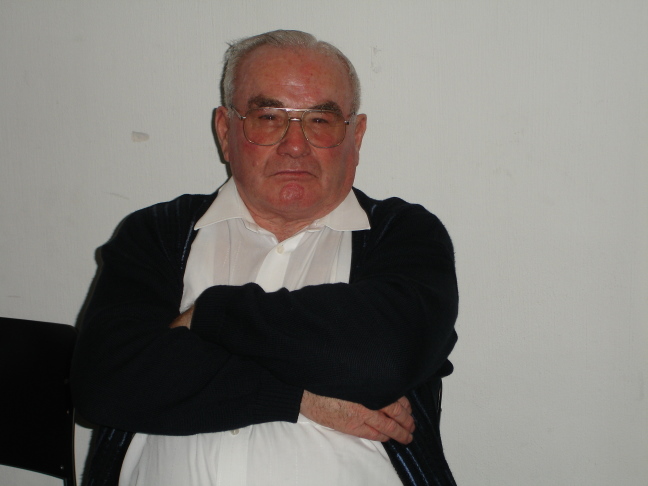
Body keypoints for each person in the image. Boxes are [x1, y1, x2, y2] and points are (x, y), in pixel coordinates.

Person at [71, 30, 459, 486]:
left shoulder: (403, 234)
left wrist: (210, 315)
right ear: (225, 131)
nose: (295, 144)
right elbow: (105, 383)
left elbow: (380, 362)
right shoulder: (158, 232)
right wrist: (299, 398)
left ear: (356, 136)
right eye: (269, 117)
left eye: (320, 120)